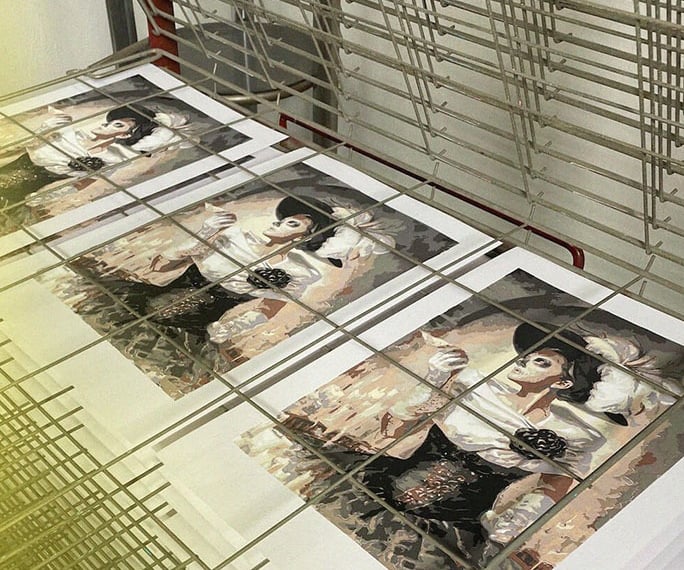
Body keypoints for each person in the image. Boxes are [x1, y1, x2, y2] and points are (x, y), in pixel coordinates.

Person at [318, 323, 613, 558]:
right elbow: (391, 430)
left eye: (540, 362)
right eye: (527, 355)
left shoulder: (573, 436)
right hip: (374, 485)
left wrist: (515, 521)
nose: (523, 360)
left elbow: (554, 485)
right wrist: (433, 379)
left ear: (562, 382)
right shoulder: (473, 386)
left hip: (449, 531)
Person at [106, 195, 342, 341]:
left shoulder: (297, 272)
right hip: (138, 302)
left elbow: (269, 308)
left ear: (303, 237)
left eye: (291, 223)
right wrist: (203, 234)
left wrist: (233, 327)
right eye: (282, 219)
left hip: (187, 333)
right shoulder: (234, 238)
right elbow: (159, 267)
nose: (277, 222)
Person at [0, 103, 188, 208]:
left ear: (124, 135)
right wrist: (49, 127)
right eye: (111, 121)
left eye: (118, 125)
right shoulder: (69, 132)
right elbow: (28, 145)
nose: (106, 125)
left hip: (20, 194)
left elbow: (80, 184)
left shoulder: (108, 160)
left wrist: (45, 197)